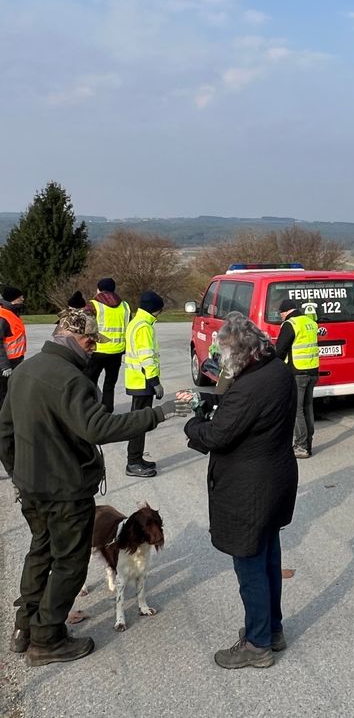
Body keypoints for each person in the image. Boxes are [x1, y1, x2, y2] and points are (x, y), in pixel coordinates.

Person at [0, 308, 189, 667]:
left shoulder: (23, 371)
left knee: (41, 552)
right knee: (70, 562)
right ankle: (47, 639)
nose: (91, 349)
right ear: (74, 338)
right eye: (89, 342)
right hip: (66, 491)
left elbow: (4, 431)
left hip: (31, 489)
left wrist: (18, 474)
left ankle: (24, 627)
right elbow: (99, 428)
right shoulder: (71, 380)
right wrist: (160, 413)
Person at [183, 313, 298, 669]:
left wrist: (194, 421)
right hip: (275, 478)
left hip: (250, 489)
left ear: (241, 354)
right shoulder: (277, 369)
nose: (221, 361)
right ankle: (271, 629)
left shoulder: (248, 387)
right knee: (268, 559)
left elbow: (219, 435)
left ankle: (257, 643)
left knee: (250, 567)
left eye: (224, 355)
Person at [124, 290, 165, 478]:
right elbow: (147, 357)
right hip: (143, 382)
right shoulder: (144, 327)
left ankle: (137, 458)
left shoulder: (137, 322)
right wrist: (155, 382)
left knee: (140, 421)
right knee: (139, 423)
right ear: (153, 309)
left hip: (138, 380)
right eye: (159, 310)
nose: (160, 313)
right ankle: (133, 462)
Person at [275, 297, 319, 459]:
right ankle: (308, 443)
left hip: (297, 373)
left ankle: (301, 446)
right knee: (308, 408)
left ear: (285, 311)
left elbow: (280, 350)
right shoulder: (310, 323)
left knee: (296, 410)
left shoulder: (290, 324)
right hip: (313, 371)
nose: (280, 317)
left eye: (280, 314)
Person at [85, 278, 131, 414]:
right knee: (109, 385)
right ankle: (107, 411)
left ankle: (91, 410)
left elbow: (86, 327)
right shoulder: (125, 306)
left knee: (89, 382)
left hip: (97, 351)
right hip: (117, 351)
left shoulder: (93, 305)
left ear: (99, 289)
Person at [0, 286, 26, 409]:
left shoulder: (13, 313)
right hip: (7, 365)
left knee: (13, 392)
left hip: (16, 360)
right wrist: (4, 366)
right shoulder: (3, 317)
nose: (23, 299)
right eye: (21, 297)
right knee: (4, 395)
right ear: (13, 300)